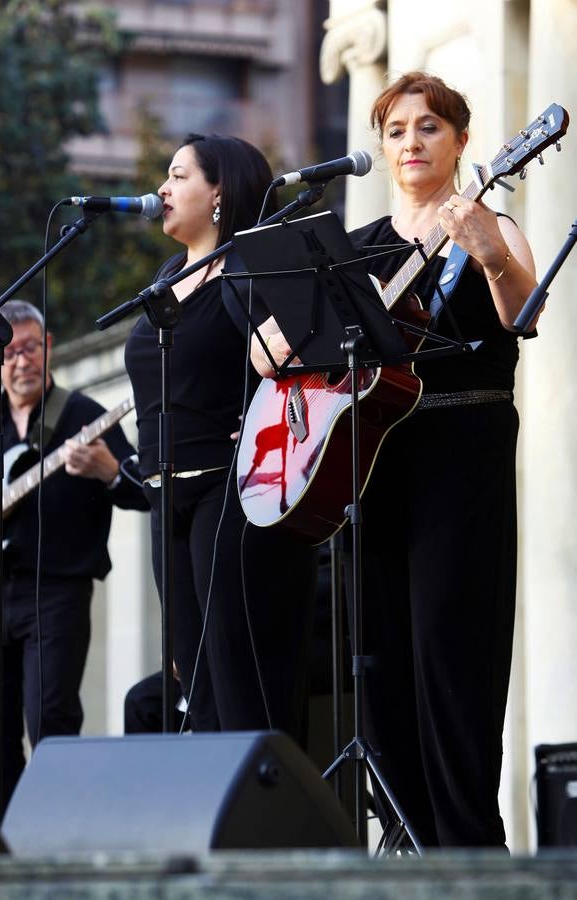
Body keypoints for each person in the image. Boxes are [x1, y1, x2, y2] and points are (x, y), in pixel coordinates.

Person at [250, 72, 537, 848]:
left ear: (461, 141)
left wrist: (489, 258)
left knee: (453, 660)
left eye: (428, 127)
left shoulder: (493, 227)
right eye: (397, 130)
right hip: (372, 468)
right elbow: (267, 352)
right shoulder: (355, 250)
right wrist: (274, 343)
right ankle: (410, 844)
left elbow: (520, 314)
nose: (411, 142)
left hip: (461, 461)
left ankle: (470, 854)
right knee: (377, 668)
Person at [0, 299, 148, 811]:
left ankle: (51, 832)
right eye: (11, 352)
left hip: (58, 590)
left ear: (49, 349)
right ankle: (3, 834)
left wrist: (108, 469)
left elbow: (143, 491)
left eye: (31, 349)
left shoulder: (83, 415)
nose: (22, 361)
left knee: (52, 721)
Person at [124, 134, 319, 740]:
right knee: (191, 671)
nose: (162, 188)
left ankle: (258, 822)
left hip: (228, 490)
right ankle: (215, 822)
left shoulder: (249, 274)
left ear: (220, 193)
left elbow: (305, 368)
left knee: (235, 669)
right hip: (163, 493)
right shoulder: (162, 281)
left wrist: (268, 399)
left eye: (179, 175)